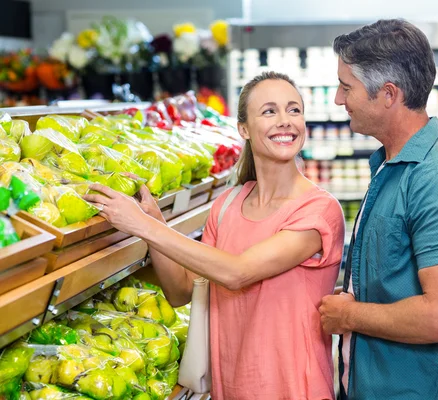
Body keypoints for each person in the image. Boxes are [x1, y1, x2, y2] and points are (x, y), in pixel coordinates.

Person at [84, 71, 345, 400]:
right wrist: (154, 222)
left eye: (294, 110)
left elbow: (237, 272)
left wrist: (143, 225)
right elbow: (180, 291)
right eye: (269, 111)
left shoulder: (319, 211)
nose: (285, 121)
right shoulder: (227, 205)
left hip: (295, 390)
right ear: (244, 129)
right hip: (230, 390)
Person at [318, 19, 438, 400]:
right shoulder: (391, 165)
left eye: (346, 87)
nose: (338, 99)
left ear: (387, 94)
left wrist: (348, 315)